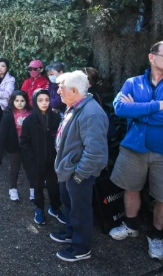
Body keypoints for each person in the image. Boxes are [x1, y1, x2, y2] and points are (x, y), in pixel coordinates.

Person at [109, 40, 163, 261]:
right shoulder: (133, 82)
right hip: (134, 147)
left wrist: (137, 111)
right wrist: (157, 105)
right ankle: (130, 224)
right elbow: (120, 108)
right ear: (152, 57)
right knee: (130, 188)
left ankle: (156, 235)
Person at [50, 70, 108, 262]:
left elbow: (95, 152)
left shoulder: (91, 114)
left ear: (74, 90)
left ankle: (81, 248)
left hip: (77, 173)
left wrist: (79, 175)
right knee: (71, 206)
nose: (58, 91)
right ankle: (71, 233)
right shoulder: (76, 105)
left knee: (80, 210)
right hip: (69, 169)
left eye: (61, 87)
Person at [21, 89, 66, 226]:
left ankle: (55, 207)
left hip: (52, 159)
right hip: (36, 160)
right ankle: (39, 208)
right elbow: (24, 142)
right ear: (35, 101)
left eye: (47, 100)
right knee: (37, 186)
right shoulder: (29, 120)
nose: (44, 103)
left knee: (53, 185)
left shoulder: (56, 118)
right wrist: (31, 157)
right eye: (40, 100)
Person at [0, 90, 33, 201]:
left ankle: (33, 189)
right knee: (14, 169)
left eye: (22, 101)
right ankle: (13, 189)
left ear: (26, 101)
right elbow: (2, 134)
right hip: (14, 148)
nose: (20, 103)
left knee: (30, 169)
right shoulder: (8, 115)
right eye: (17, 100)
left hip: (28, 147)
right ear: (12, 101)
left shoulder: (31, 113)